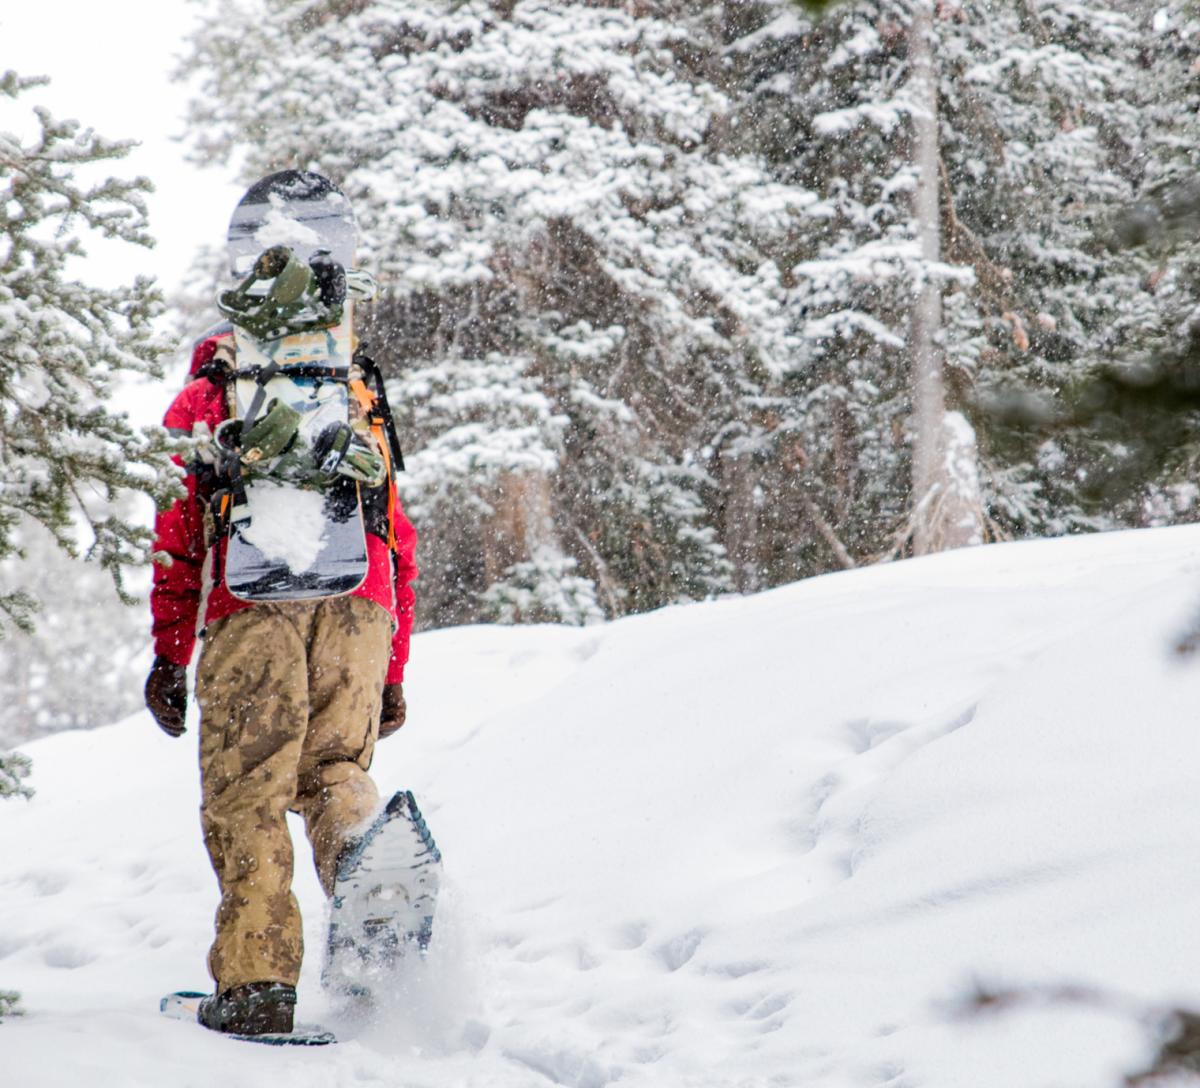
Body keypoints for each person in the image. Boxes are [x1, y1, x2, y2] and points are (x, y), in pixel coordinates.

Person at [144, 329, 418, 1036]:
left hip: (255, 596)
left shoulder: (208, 397)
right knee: (334, 770)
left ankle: (257, 983)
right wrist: (391, 666)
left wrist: (171, 655)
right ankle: (373, 887)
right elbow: (396, 532)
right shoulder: (352, 391)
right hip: (362, 599)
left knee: (250, 789)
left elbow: (177, 531)